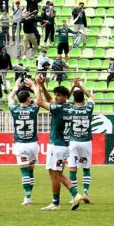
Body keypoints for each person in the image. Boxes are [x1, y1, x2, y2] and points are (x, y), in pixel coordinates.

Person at [34, 76, 76, 211]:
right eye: (56, 95)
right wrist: (45, 87)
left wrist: (38, 85)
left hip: (56, 145)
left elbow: (39, 102)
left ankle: (55, 203)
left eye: (59, 95)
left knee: (53, 175)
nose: (56, 97)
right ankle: (76, 195)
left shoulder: (57, 109)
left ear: (65, 97)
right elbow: (50, 100)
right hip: (64, 145)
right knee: (59, 174)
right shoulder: (69, 107)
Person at [8, 78, 39, 205]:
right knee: (31, 171)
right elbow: (39, 98)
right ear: (28, 99)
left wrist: (16, 87)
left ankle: (27, 197)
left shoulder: (14, 109)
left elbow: (9, 98)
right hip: (32, 144)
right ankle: (29, 196)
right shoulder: (33, 109)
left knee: (24, 172)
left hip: (20, 144)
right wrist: (34, 86)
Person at [67, 78, 95, 205]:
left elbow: (65, 99)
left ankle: (75, 195)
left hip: (73, 142)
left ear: (74, 99)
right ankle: (86, 192)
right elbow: (91, 96)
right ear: (83, 99)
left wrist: (73, 86)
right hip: (86, 142)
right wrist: (81, 86)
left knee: (72, 169)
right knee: (86, 168)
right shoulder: (88, 108)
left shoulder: (70, 109)